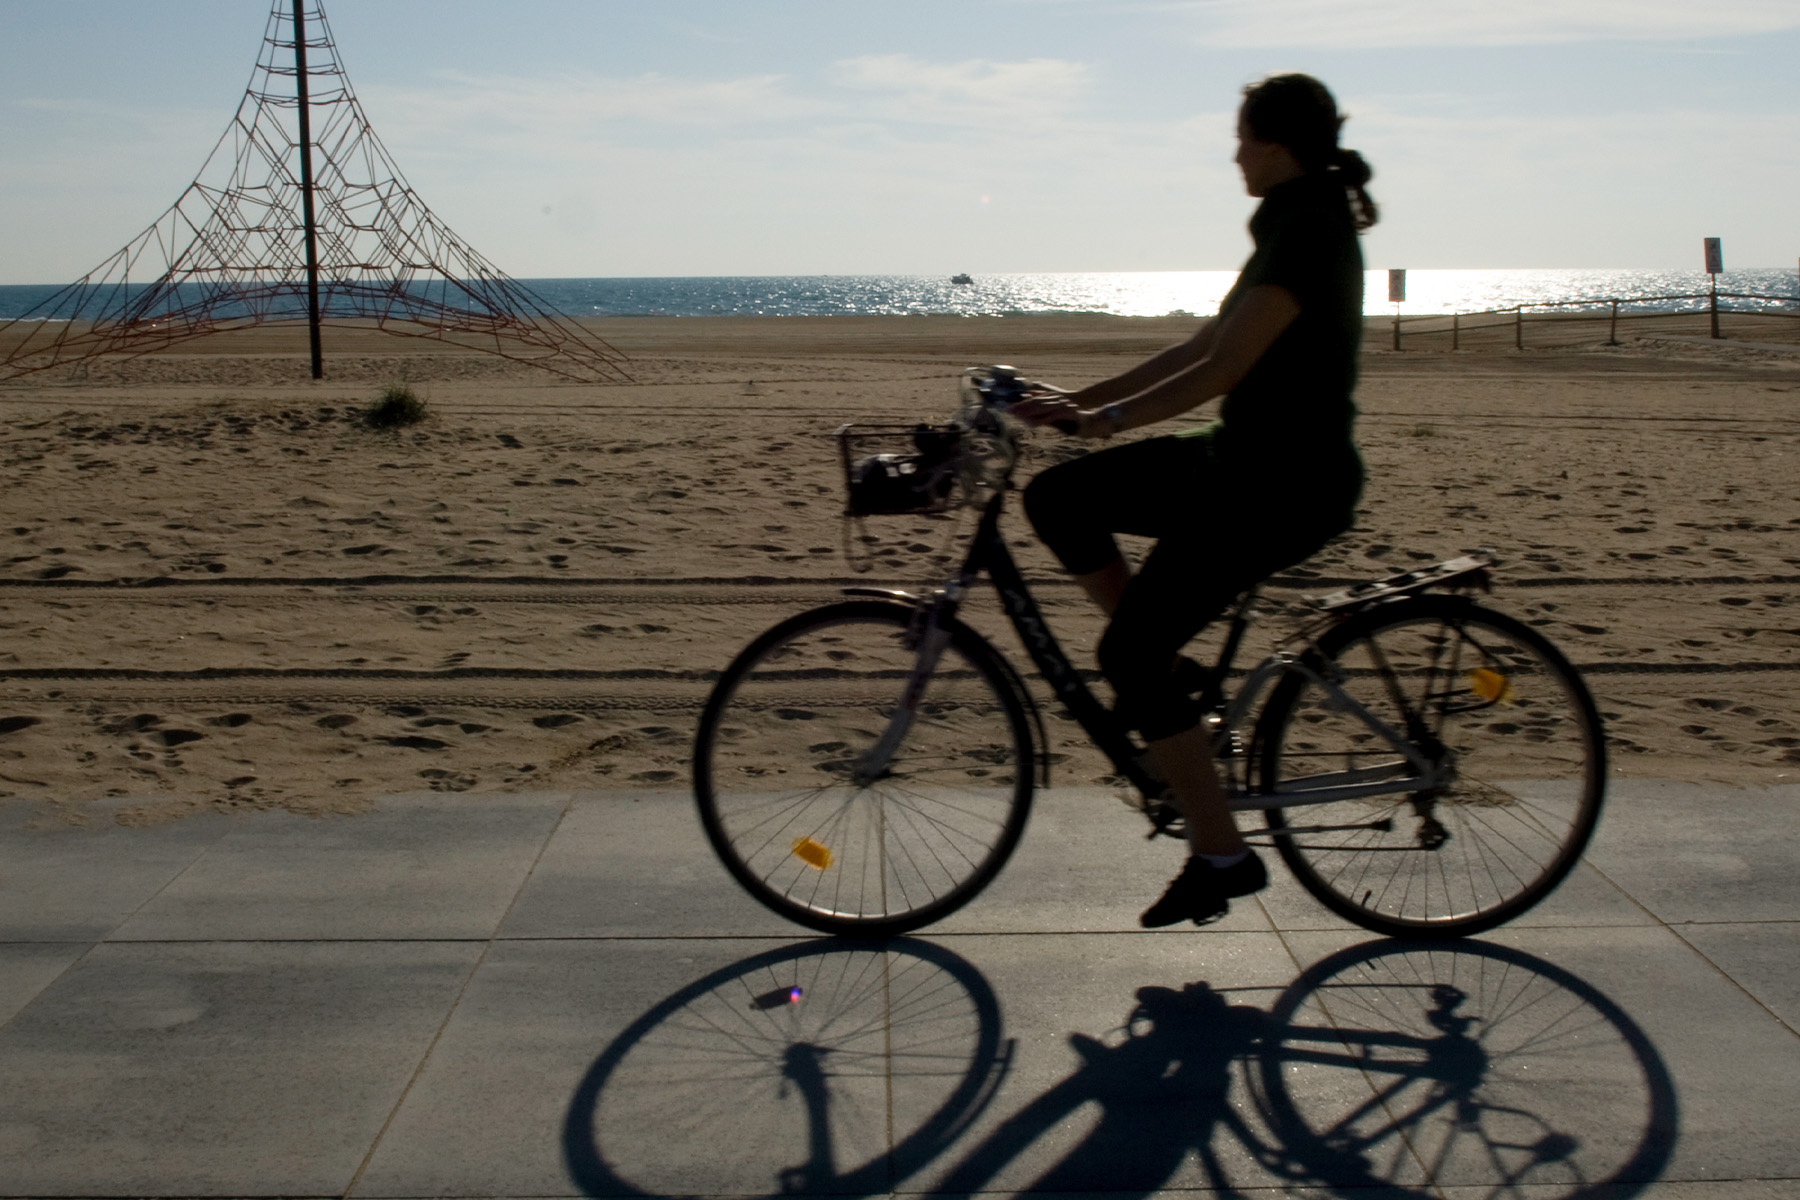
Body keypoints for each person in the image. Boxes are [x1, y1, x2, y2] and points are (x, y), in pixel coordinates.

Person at [1007, 73, 1377, 928]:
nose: (1236, 155)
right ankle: (1175, 672)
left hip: (1282, 486)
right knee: (1058, 496)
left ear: (1277, 145)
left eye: (1244, 139)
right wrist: (1076, 403)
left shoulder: (1310, 229)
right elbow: (1202, 341)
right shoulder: (1289, 221)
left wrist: (1106, 421)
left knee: (1124, 660)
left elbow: (1221, 371)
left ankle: (1222, 856)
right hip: (1236, 463)